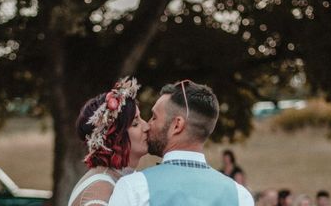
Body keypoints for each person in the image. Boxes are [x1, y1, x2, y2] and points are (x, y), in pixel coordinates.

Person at [109, 79, 254, 206]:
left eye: (154, 117)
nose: (147, 125)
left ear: (176, 125)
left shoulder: (134, 188)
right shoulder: (240, 196)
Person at [68, 77, 149, 206]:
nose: (146, 127)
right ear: (115, 137)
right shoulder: (99, 191)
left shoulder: (116, 179)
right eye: (135, 123)